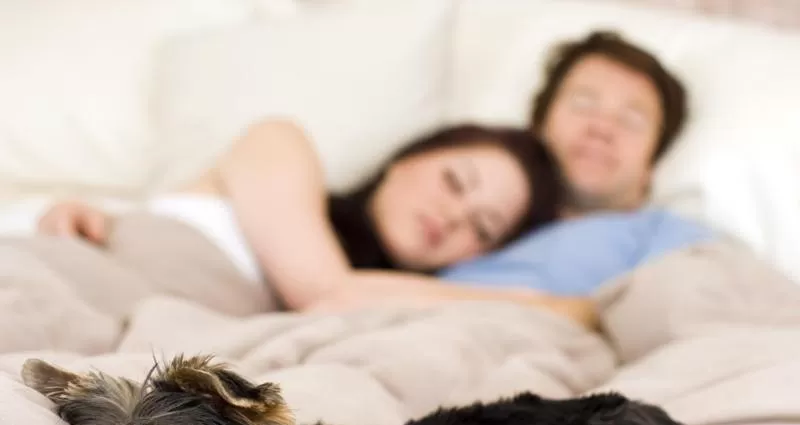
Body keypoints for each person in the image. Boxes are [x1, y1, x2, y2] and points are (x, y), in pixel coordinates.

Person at [36, 123, 597, 327]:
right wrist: (541, 304)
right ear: (407, 158)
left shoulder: (377, 307)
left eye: (483, 227)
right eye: (455, 181)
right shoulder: (282, 143)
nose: (452, 217)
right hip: (65, 277)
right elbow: (325, 292)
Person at [442, 30, 717, 295]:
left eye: (631, 121)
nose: (602, 128)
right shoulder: (469, 214)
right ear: (537, 125)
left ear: (651, 166)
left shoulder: (674, 240)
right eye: (583, 104)